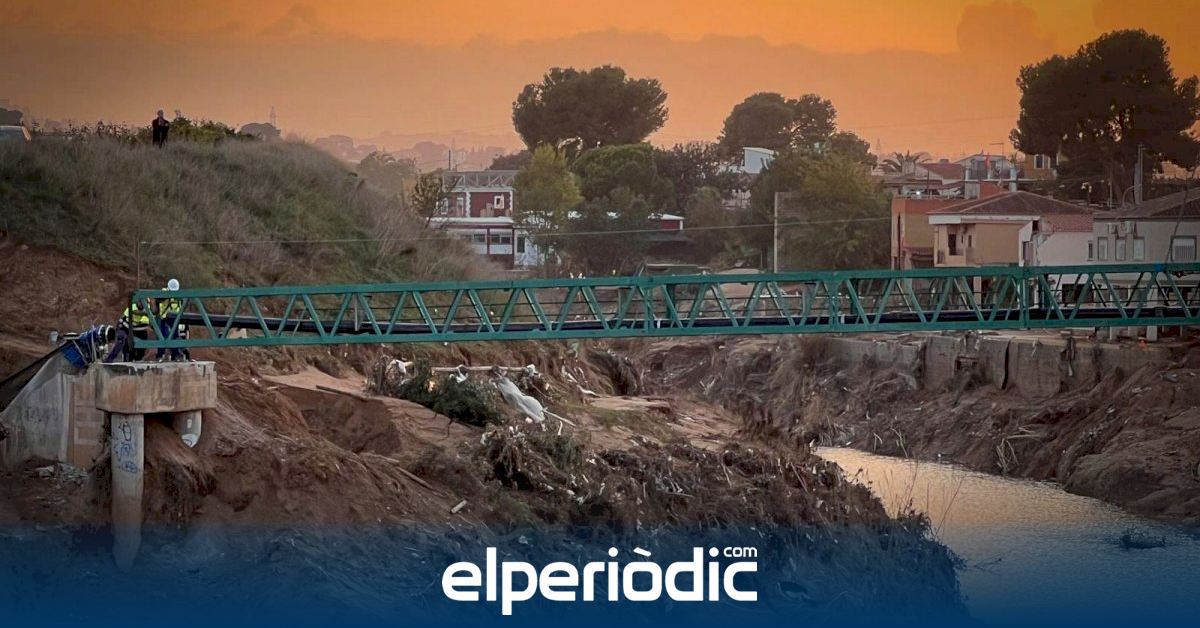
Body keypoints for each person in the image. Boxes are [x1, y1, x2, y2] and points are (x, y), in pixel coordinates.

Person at [105, 298, 154, 362]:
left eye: (144, 302)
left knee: (143, 339)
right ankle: (110, 359)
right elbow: (127, 318)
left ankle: (138, 359)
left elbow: (145, 324)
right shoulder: (132, 307)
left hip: (137, 328)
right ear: (138, 301)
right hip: (124, 326)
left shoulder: (148, 310)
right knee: (122, 340)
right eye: (140, 302)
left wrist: (147, 315)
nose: (141, 304)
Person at [155, 278, 189, 362]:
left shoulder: (179, 294)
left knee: (175, 336)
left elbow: (183, 303)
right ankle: (160, 355)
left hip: (174, 318)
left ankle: (176, 355)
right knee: (163, 336)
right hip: (163, 318)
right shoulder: (164, 291)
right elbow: (158, 299)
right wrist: (168, 295)